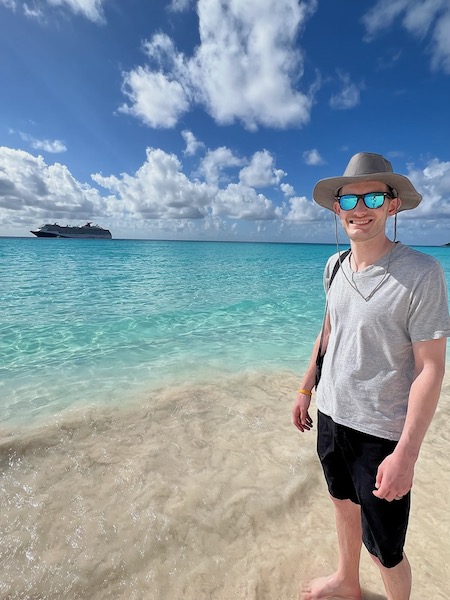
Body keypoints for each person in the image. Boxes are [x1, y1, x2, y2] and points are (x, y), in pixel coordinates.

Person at [291, 152, 450, 600]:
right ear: (337, 207)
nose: (359, 208)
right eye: (349, 199)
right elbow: (328, 330)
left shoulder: (422, 274)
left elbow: (431, 369)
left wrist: (407, 455)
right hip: (332, 416)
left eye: (373, 196)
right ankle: (346, 582)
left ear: (392, 205)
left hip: (381, 434)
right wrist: (306, 387)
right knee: (342, 505)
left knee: (386, 549)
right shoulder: (335, 266)